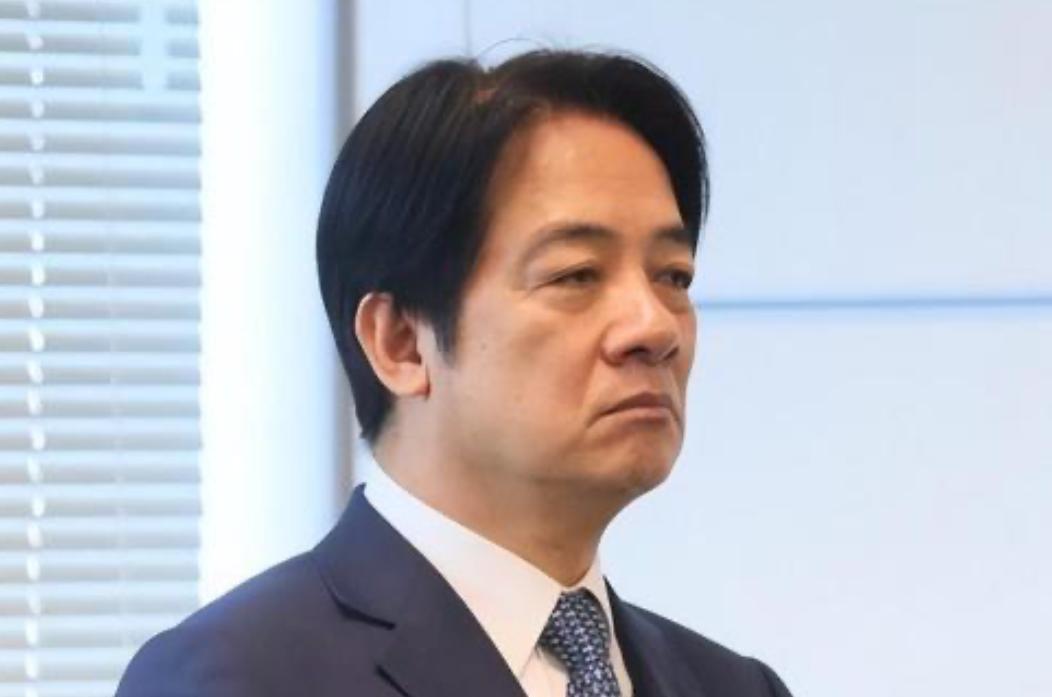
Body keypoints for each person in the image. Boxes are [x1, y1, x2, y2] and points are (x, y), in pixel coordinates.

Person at [116, 49, 793, 697]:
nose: (655, 327)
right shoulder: (237, 677)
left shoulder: (736, 686)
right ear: (401, 343)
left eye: (673, 276)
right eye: (577, 274)